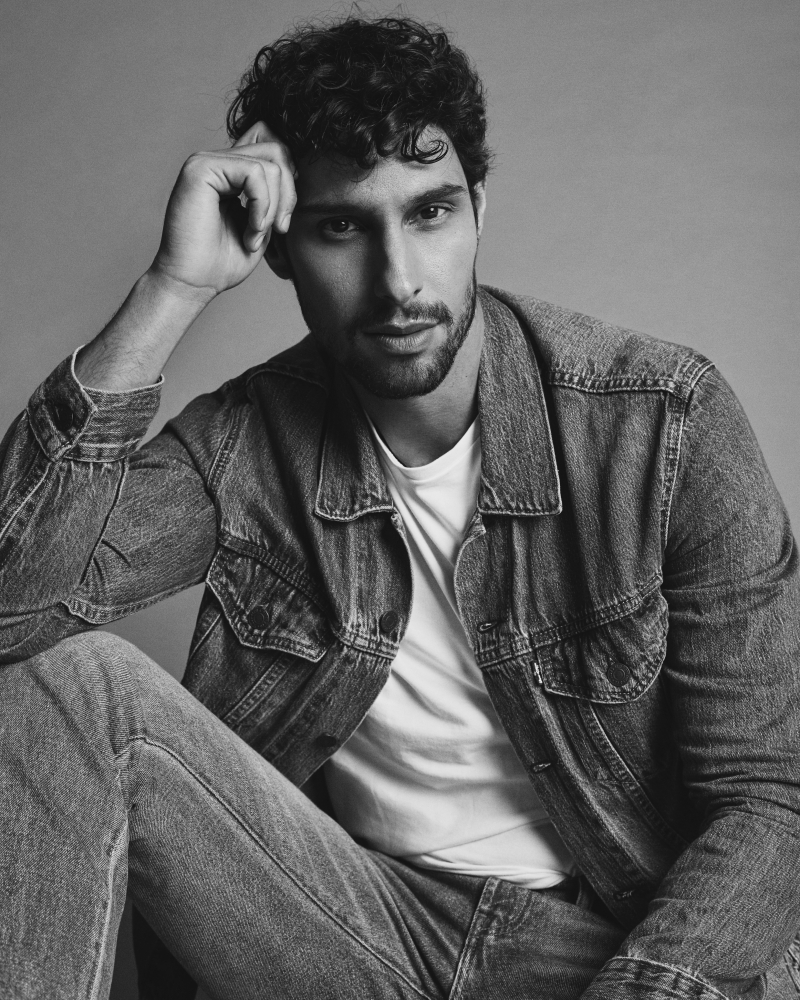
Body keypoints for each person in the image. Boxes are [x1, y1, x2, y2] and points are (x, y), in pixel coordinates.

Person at [1, 12, 799, 1000]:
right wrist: (172, 288)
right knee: (61, 679)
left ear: (477, 210)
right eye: (342, 227)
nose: (398, 282)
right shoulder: (246, 442)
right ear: (279, 247)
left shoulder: (662, 423)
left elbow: (770, 804)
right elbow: (12, 613)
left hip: (598, 947)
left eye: (429, 213)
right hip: (356, 929)